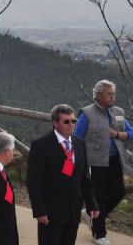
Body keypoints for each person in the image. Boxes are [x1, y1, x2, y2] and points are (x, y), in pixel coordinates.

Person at [27, 104, 99, 245]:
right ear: (55, 123)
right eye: (66, 121)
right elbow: (33, 182)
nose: (71, 124)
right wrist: (39, 211)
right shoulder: (40, 146)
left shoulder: (80, 144)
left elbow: (85, 179)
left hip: (73, 212)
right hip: (51, 213)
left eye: (73, 121)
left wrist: (92, 204)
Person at [75, 80, 133, 245]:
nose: (113, 97)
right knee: (98, 197)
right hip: (94, 163)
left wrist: (118, 134)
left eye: (114, 94)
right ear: (99, 95)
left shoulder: (119, 112)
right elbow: (77, 138)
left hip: (115, 161)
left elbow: (131, 132)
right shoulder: (87, 114)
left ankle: (90, 213)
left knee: (118, 192)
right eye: (109, 94)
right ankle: (99, 234)